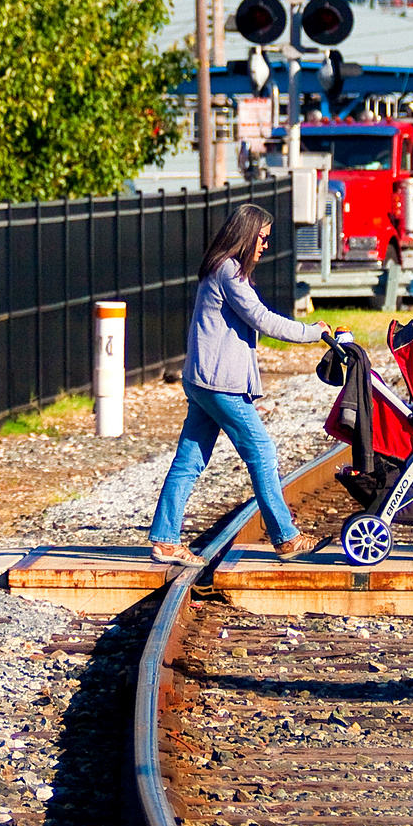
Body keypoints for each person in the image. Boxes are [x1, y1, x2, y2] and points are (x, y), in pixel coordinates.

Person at [148, 204, 328, 568]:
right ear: (245, 235)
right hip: (219, 384)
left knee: (189, 461)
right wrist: (314, 333)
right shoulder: (230, 272)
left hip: (203, 380)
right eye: (261, 238)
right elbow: (261, 319)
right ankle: (286, 537)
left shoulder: (220, 268)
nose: (264, 245)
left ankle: (165, 540)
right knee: (262, 452)